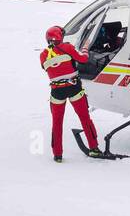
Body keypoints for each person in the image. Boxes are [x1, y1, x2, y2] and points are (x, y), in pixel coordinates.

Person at [40, 26, 102, 163]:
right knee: (85, 118)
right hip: (74, 88)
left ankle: (57, 155)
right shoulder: (67, 48)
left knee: (57, 123)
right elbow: (84, 59)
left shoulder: (43, 54)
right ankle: (94, 148)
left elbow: (47, 68)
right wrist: (85, 47)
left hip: (57, 91)